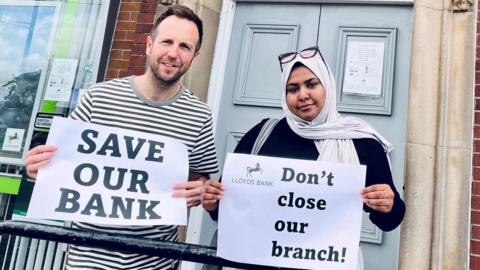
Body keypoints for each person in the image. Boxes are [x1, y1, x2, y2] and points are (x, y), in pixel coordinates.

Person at [24, 5, 218, 270]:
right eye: (167, 42)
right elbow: (60, 166)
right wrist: (40, 168)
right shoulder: (97, 97)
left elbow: (201, 177)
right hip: (87, 260)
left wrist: (202, 189)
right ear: (149, 45)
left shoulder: (200, 115)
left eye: (185, 46)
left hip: (155, 262)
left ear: (194, 57)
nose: (173, 53)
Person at [201, 46, 405, 269]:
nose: (303, 95)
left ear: (327, 85)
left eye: (311, 84)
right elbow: (226, 207)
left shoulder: (362, 143)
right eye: (293, 88)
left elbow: (389, 220)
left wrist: (388, 204)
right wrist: (211, 202)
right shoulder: (261, 134)